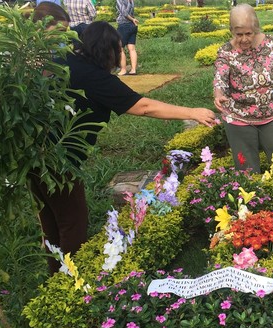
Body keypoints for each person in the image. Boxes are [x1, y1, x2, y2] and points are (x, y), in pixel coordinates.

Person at [29, 12, 218, 273]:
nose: (121, 54)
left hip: (34, 153)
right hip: (61, 161)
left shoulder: (66, 61)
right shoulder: (96, 78)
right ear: (107, 50)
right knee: (72, 222)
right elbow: (143, 107)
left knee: (51, 220)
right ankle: (73, 283)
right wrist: (192, 112)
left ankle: (55, 275)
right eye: (119, 49)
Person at [212, 4, 273, 173]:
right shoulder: (226, 52)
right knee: (247, 168)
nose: (244, 39)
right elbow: (220, 77)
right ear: (231, 30)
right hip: (239, 118)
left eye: (249, 33)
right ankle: (252, 199)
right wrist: (218, 93)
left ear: (256, 28)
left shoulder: (272, 44)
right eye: (238, 34)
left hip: (272, 114)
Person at [116, 0, 138, 75]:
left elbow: (124, 13)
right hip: (132, 26)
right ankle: (133, 70)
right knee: (132, 49)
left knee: (120, 48)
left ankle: (123, 70)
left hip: (124, 25)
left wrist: (132, 19)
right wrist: (133, 20)